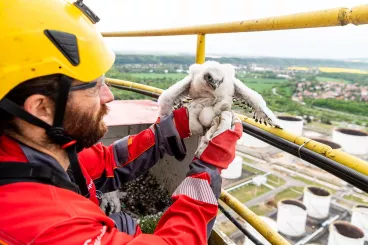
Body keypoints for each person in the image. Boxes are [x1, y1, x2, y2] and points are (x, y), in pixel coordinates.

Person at [0, 1, 243, 244]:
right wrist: (208, 168)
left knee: (123, 223)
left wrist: (169, 131)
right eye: (94, 87)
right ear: (41, 107)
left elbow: (107, 163)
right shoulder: (46, 224)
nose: (109, 96)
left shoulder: (32, 148)